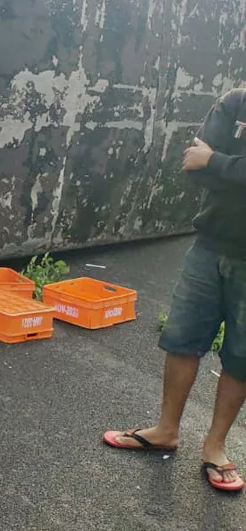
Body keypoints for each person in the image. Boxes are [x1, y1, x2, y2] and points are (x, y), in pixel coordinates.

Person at [103, 88, 246, 493]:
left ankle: (215, 447)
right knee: (182, 339)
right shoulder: (235, 102)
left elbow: (207, 162)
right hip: (210, 245)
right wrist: (224, 169)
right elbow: (193, 166)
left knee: (241, 357)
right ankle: (166, 430)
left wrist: (217, 161)